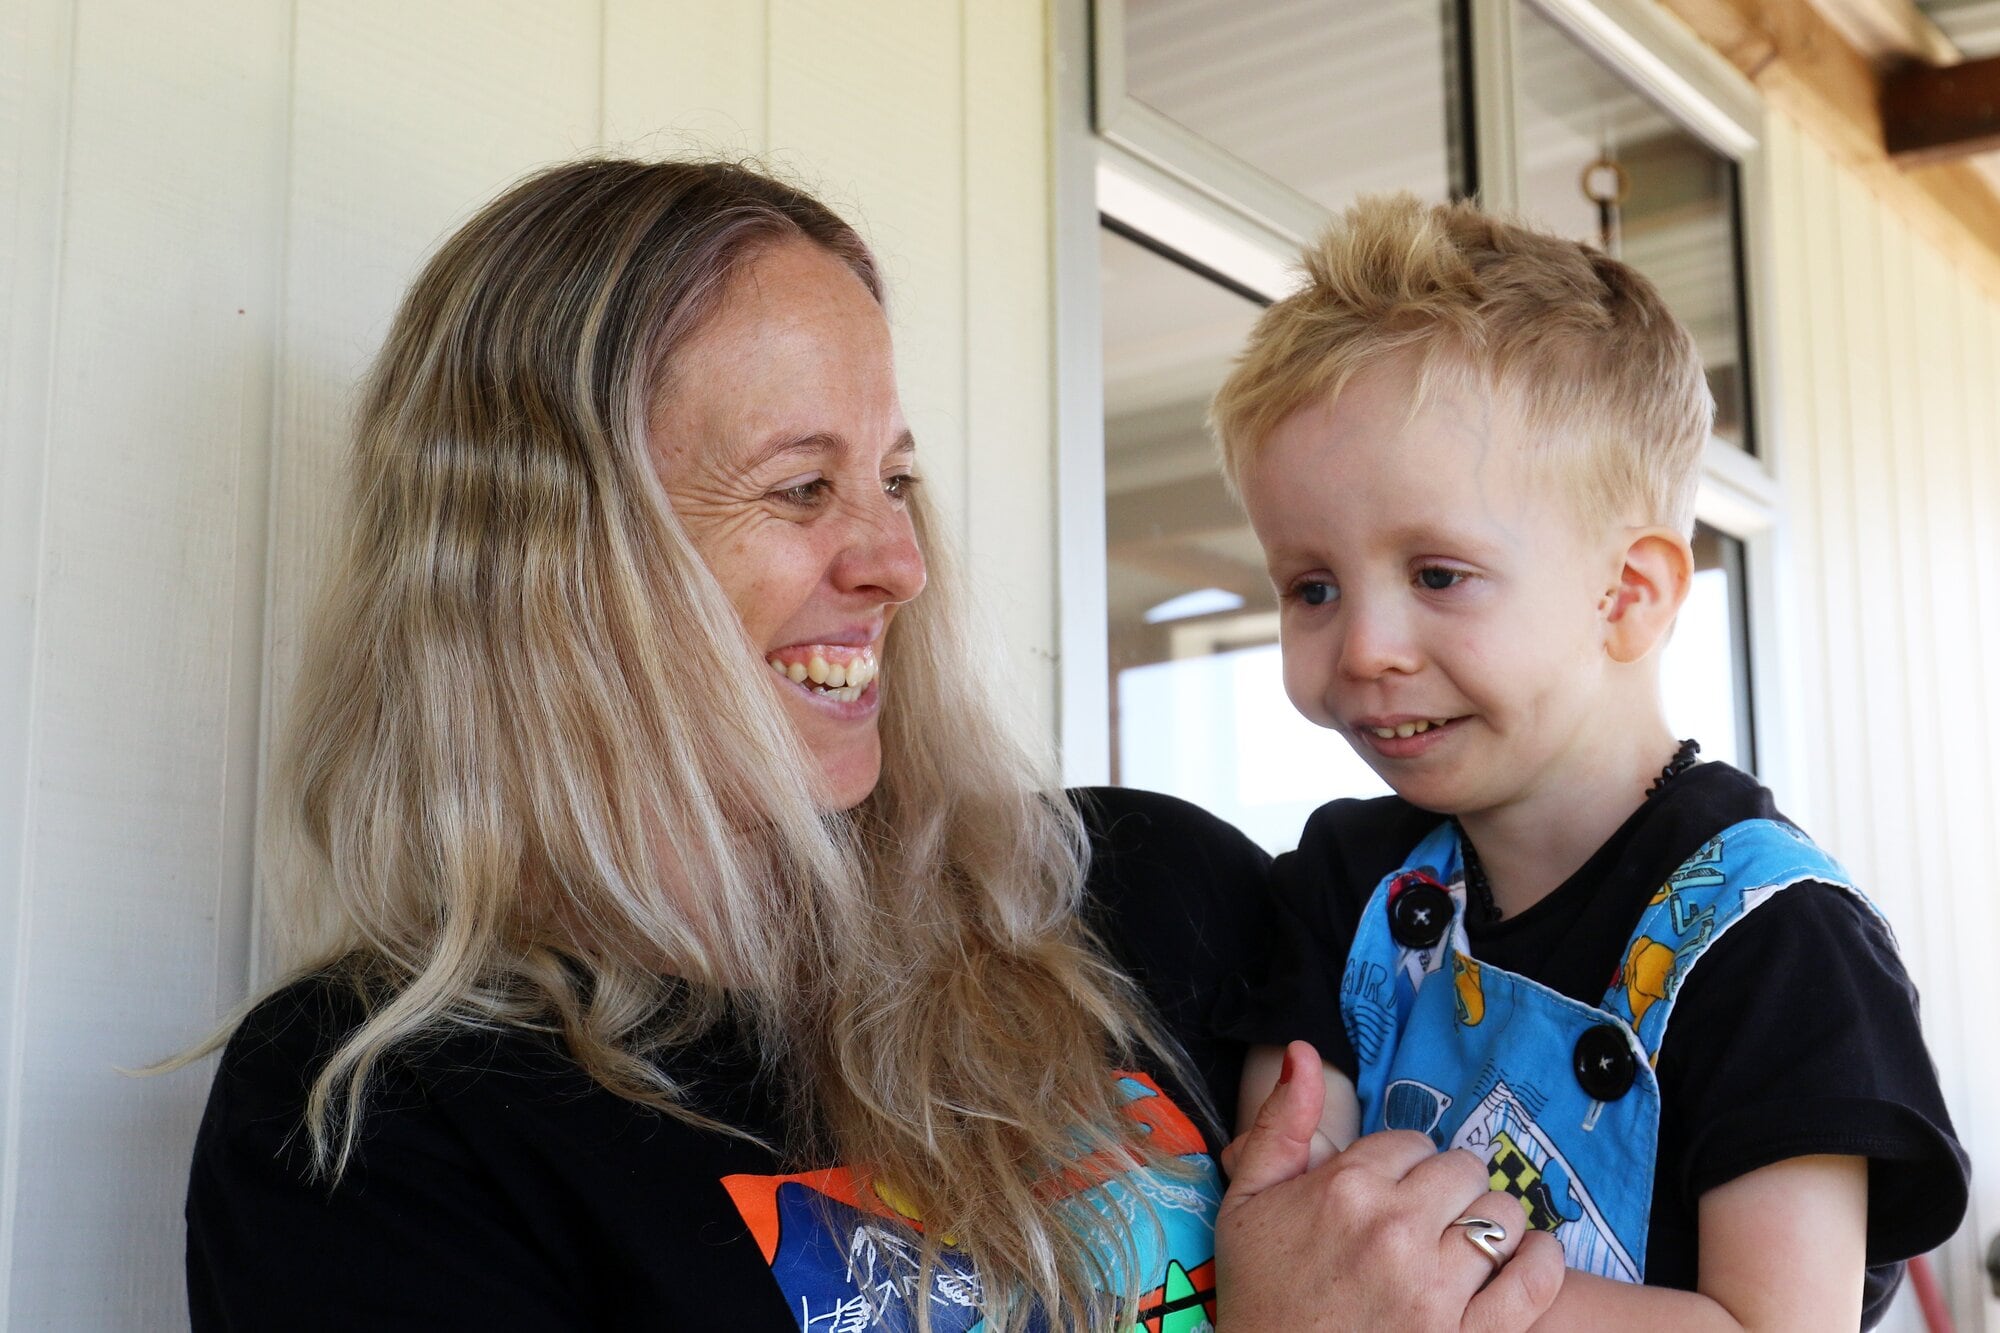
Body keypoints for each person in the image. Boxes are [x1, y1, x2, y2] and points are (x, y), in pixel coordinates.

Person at [182, 159, 1555, 1331]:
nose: (898, 560)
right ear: (548, 560)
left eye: (895, 477)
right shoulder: (382, 1125)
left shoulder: (1141, 887)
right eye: (802, 488)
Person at [1211, 194, 1968, 1328]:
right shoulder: (1346, 883)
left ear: (1626, 594)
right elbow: (1291, 1204)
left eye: (1436, 574)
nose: (1362, 647)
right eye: (1310, 586)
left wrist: (1449, 1264)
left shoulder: (1776, 942)